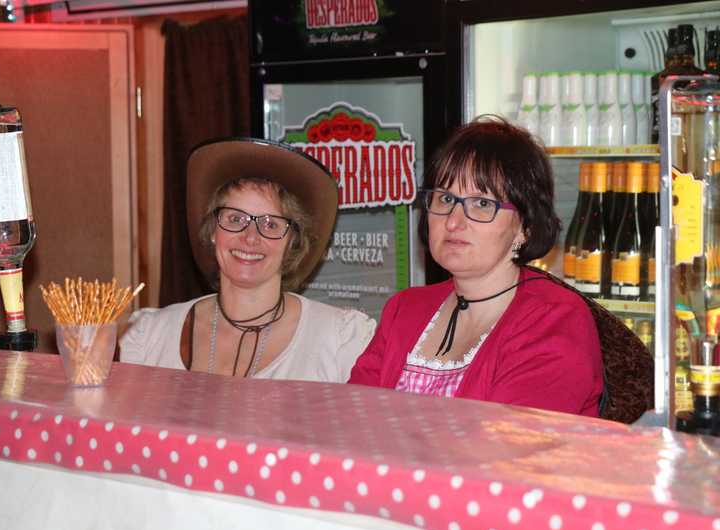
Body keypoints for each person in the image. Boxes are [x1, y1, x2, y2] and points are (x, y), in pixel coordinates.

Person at [348, 116, 604, 417]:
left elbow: (508, 441)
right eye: (445, 198)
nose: (453, 222)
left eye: (482, 203)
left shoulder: (556, 320)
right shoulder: (404, 309)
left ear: (525, 226)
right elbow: (353, 417)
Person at [120, 137, 375, 382]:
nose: (250, 237)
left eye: (270, 224)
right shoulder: (149, 335)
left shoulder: (339, 339)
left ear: (292, 243)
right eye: (235, 219)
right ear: (213, 231)